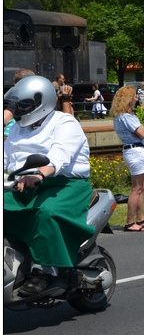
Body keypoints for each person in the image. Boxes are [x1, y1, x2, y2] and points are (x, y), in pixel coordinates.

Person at [3, 75, 94, 297]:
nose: (19, 109)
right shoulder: (17, 129)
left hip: (64, 184)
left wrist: (40, 173)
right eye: (17, 105)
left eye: (24, 104)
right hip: (22, 184)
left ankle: (44, 271)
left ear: (41, 102)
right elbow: (6, 159)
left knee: (45, 213)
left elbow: (59, 154)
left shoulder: (64, 122)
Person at [111, 85, 144, 231]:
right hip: (135, 151)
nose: (136, 98)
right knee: (137, 188)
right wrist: (141, 131)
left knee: (143, 186)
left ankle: (141, 219)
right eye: (134, 96)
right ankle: (130, 222)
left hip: (131, 151)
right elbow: (143, 134)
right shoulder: (127, 117)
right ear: (128, 99)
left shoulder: (118, 117)